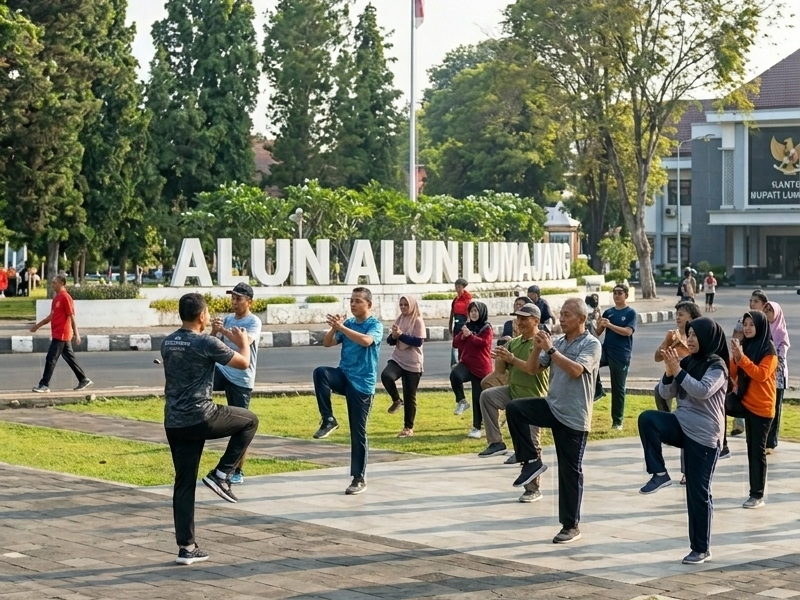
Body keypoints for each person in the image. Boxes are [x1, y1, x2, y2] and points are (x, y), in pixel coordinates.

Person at [161, 293, 259, 565]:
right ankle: (222, 473)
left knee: (184, 483)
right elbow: (243, 363)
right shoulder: (205, 342)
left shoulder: (168, 342)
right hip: (201, 416)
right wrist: (243, 342)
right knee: (250, 421)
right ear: (202, 315)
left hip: (174, 421)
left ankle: (186, 548)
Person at [505, 298, 601, 544]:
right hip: (552, 406)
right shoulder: (557, 342)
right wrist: (537, 347)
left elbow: (576, 370)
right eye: (561, 314)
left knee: (569, 472)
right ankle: (531, 462)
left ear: (582, 319)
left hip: (574, 416)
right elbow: (532, 369)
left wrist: (550, 350)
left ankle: (570, 526)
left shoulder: (591, 344)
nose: (562, 318)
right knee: (515, 408)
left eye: (567, 315)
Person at [637, 317, 729, 565]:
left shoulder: (717, 366)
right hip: (681, 424)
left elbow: (702, 390)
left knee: (697, 493)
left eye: (695, 335)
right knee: (648, 419)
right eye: (689, 335)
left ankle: (701, 548)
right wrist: (669, 373)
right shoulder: (686, 361)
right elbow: (665, 393)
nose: (690, 339)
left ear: (708, 337)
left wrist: (677, 371)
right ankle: (659, 473)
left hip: (704, 435)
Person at [312, 287, 382, 495]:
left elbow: (366, 341)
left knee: (358, 432)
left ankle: (358, 478)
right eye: (351, 300)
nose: (353, 304)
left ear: (369, 305)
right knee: (320, 373)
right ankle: (328, 419)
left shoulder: (374, 325)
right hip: (344, 376)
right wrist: (334, 328)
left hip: (362, 384)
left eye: (358, 301)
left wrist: (342, 327)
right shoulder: (348, 324)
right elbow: (327, 343)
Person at [477, 304, 549, 503]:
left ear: (536, 320)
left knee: (532, 444)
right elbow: (500, 372)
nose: (519, 322)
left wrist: (511, 358)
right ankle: (496, 442)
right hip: (513, 393)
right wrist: (500, 357)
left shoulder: (542, 342)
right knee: (487, 396)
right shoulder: (514, 342)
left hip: (534, 399)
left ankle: (533, 489)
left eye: (524, 318)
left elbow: (531, 369)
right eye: (518, 318)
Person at [210, 282, 262, 485]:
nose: (234, 302)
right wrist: (215, 331)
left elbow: (244, 343)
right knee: (202, 375)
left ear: (249, 302)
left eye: (238, 299)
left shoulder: (254, 321)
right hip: (223, 370)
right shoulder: (229, 319)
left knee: (242, 426)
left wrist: (224, 330)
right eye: (232, 298)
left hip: (241, 377)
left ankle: (237, 470)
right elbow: (215, 345)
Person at [727, 311, 777, 508]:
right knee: (716, 404)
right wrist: (735, 357)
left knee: (756, 451)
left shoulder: (769, 350)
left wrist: (742, 359)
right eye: (745, 324)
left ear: (761, 327)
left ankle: (757, 495)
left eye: (752, 325)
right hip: (745, 402)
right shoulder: (745, 345)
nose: (747, 328)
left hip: (762, 409)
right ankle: (721, 445)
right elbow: (733, 372)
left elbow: (761, 375)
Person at [30, 274, 93, 393]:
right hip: (58, 333)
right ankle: (83, 379)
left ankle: (44, 385)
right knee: (70, 358)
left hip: (62, 333)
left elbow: (71, 315)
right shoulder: (57, 298)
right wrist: (37, 326)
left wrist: (76, 333)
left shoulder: (65, 297)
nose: (52, 284)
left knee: (51, 358)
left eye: (54, 282)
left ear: (61, 283)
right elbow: (51, 316)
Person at [382, 295, 425, 438]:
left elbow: (418, 341)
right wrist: (394, 336)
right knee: (386, 376)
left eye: (406, 304)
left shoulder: (418, 320)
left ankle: (408, 427)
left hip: (413, 362)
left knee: (410, 396)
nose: (403, 307)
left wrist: (400, 335)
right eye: (401, 305)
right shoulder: (399, 319)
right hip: (398, 358)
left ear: (412, 305)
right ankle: (396, 400)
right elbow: (390, 341)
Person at [595, 284, 637, 430]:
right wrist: (600, 323)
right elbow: (598, 332)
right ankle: (598, 389)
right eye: (615, 293)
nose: (617, 295)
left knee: (618, 388)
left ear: (626, 295)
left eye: (620, 293)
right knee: (591, 363)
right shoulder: (609, 312)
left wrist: (610, 325)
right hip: (607, 350)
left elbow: (628, 332)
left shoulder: (630, 313)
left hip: (621, 354)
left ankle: (617, 421)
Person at [451, 301, 494, 438]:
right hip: (467, 364)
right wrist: (463, 336)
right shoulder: (467, 326)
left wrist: (470, 336)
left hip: (481, 367)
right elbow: (455, 343)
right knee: (455, 375)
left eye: (476, 311)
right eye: (471, 311)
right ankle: (462, 401)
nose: (474, 314)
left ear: (482, 312)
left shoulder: (487, 328)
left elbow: (484, 343)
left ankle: (477, 428)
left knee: (477, 399)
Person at [653, 301, 702, 412]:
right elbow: (657, 358)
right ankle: (666, 418)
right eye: (677, 314)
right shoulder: (673, 335)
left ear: (691, 317)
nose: (677, 317)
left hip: (693, 375)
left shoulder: (699, 334)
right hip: (673, 376)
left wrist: (683, 345)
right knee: (659, 390)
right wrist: (667, 342)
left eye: (681, 315)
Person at [764, 301, 790, 453]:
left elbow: (781, 355)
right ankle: (763, 440)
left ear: (777, 313)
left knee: (775, 407)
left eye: (770, 310)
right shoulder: (763, 329)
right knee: (766, 407)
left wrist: (771, 366)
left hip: (777, 375)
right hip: (765, 375)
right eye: (766, 309)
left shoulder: (781, 332)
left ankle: (771, 442)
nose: (767, 312)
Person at [449, 278, 472, 367]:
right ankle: (455, 363)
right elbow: (452, 313)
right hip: (457, 324)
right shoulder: (456, 299)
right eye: (456, 287)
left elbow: (469, 313)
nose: (457, 289)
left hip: (464, 324)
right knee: (455, 343)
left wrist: (468, 325)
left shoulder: (467, 299)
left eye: (459, 287)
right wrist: (450, 325)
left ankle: (464, 361)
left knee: (464, 344)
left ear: (463, 287)